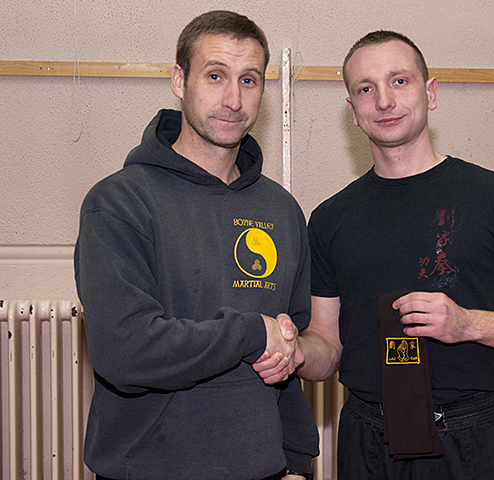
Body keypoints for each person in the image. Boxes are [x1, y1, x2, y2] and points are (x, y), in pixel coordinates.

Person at [254, 30, 494, 479]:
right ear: (352, 111)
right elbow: (329, 347)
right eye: (366, 89)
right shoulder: (330, 219)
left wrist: (467, 323)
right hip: (367, 441)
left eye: (400, 81)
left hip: (475, 437)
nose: (384, 101)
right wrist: (293, 353)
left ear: (430, 93)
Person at [74, 10, 318, 480]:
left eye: (249, 80)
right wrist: (249, 331)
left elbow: (287, 351)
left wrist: (298, 462)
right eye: (215, 76)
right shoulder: (119, 202)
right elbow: (125, 351)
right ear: (179, 80)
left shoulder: (281, 210)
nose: (233, 99)